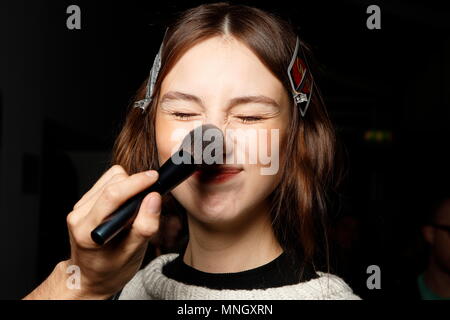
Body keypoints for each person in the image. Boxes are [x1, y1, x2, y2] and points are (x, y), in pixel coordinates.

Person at [24, 2, 360, 300]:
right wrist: (79, 287)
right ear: (151, 130)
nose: (211, 145)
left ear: (295, 140)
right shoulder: (127, 292)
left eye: (249, 116)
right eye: (184, 113)